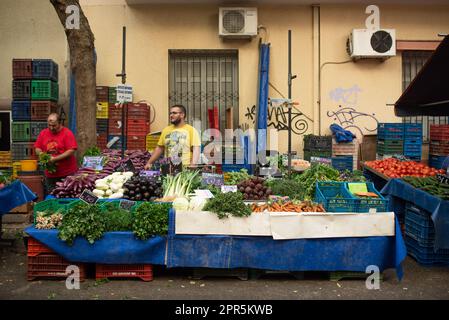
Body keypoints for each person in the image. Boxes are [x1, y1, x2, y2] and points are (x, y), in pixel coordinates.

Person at [144, 105, 201, 169]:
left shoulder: (191, 130)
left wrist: (193, 164)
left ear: (182, 115)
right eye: (170, 113)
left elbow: (196, 148)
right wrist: (149, 163)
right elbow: (160, 148)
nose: (171, 115)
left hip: (185, 168)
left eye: (174, 113)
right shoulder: (166, 130)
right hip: (168, 168)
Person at [34, 113, 78, 195]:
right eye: (49, 125)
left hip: (67, 174)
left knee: (67, 195)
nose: (51, 128)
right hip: (50, 175)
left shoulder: (67, 133)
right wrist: (42, 155)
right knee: (52, 195)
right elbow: (37, 147)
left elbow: (71, 150)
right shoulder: (43, 133)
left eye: (54, 125)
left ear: (59, 123)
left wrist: (55, 159)